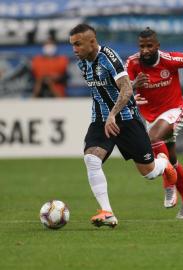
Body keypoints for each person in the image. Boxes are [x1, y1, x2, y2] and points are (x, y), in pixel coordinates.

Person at [69, 23, 177, 228]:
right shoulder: (82, 63)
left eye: (77, 44)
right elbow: (113, 87)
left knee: (149, 172)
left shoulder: (109, 57)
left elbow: (125, 89)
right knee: (92, 158)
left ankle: (164, 163)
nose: (74, 49)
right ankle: (107, 212)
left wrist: (114, 113)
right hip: (101, 120)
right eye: (72, 45)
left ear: (92, 42)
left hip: (127, 120)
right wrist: (109, 114)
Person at [126, 27, 183, 219]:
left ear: (157, 46)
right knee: (171, 158)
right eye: (142, 46)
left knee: (152, 139)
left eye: (149, 46)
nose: (145, 50)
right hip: (151, 116)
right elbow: (124, 88)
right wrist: (135, 85)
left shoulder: (169, 59)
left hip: (175, 110)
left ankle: (168, 183)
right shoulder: (132, 63)